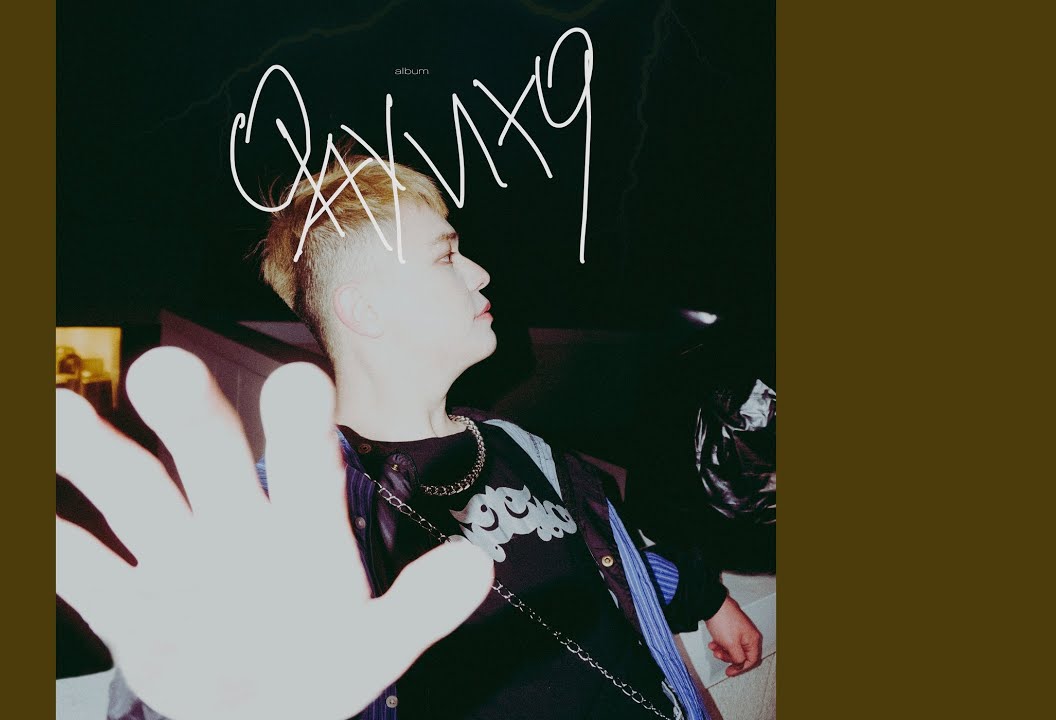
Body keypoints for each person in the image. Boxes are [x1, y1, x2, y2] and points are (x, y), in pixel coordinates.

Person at [55, 155, 762, 720]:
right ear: (365, 310)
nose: (480, 272)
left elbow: (590, 556)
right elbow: (210, 660)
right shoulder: (299, 515)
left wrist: (705, 596)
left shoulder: (528, 450)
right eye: (445, 256)